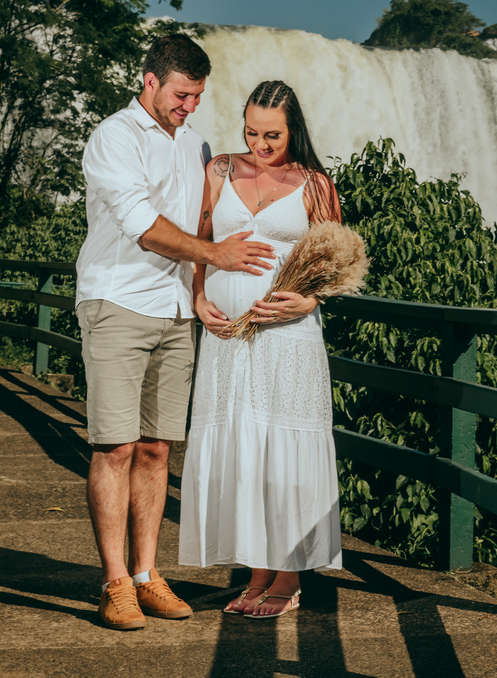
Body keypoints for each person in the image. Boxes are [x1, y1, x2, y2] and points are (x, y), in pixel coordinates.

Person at [77, 34, 277, 631]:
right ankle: (114, 583)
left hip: (173, 311)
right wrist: (217, 256)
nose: (189, 106)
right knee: (114, 446)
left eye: (197, 97)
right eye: (181, 95)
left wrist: (198, 292)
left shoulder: (198, 147)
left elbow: (200, 222)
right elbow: (143, 226)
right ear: (150, 80)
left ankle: (146, 575)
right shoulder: (113, 137)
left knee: (158, 446)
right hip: (117, 302)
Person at [179, 80, 344, 620]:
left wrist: (309, 302)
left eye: (272, 134)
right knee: (243, 448)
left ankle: (289, 576)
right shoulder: (220, 170)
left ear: (292, 129)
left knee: (283, 451)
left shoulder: (315, 184)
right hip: (227, 338)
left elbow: (335, 258)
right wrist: (199, 296)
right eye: (251, 132)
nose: (260, 144)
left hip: (287, 339)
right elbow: (201, 240)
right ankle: (256, 573)